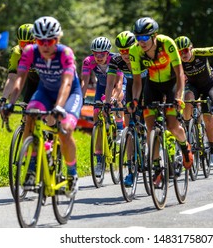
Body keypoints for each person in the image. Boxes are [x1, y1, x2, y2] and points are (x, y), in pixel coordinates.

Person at [3, 16, 83, 196]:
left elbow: (67, 84)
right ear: (35, 40)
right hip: (45, 90)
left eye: (51, 41)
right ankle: (31, 169)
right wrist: (11, 103)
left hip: (69, 93)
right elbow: (19, 80)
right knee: (29, 115)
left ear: (58, 39)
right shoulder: (30, 51)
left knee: (65, 129)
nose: (45, 45)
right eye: (41, 41)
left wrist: (59, 107)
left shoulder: (65, 53)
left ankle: (72, 174)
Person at [128, 17, 193, 187]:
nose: (141, 42)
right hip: (152, 86)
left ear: (154, 36)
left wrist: (179, 96)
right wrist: (135, 100)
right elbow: (137, 81)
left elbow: (180, 74)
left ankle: (185, 147)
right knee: (151, 129)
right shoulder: (135, 51)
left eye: (144, 38)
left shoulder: (167, 44)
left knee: (172, 126)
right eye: (138, 38)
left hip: (171, 83)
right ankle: (158, 169)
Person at [174, 36, 213, 167]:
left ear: (191, 48)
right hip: (192, 87)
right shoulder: (177, 60)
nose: (183, 55)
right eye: (179, 52)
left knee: (209, 119)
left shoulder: (200, 52)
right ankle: (188, 128)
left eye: (185, 51)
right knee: (188, 97)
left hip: (208, 86)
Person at [104, 31, 148, 186]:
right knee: (129, 127)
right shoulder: (115, 60)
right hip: (131, 87)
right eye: (121, 51)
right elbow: (110, 84)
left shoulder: (143, 55)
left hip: (148, 85)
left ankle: (154, 153)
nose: (125, 54)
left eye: (127, 50)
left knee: (149, 119)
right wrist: (107, 103)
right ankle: (130, 170)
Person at [80, 36, 125, 176]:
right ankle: (99, 161)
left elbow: (118, 85)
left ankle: (119, 128)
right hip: (101, 85)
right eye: (95, 53)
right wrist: (81, 97)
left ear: (108, 53)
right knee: (97, 116)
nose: (98, 57)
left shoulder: (116, 59)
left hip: (117, 85)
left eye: (102, 54)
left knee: (118, 99)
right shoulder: (88, 62)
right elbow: (84, 82)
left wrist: (113, 97)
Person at [0, 24, 38, 112]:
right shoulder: (17, 53)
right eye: (23, 43)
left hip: (51, 83)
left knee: (51, 120)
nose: (27, 47)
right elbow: (12, 78)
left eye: (30, 43)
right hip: (33, 82)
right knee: (27, 115)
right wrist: (4, 98)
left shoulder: (44, 51)